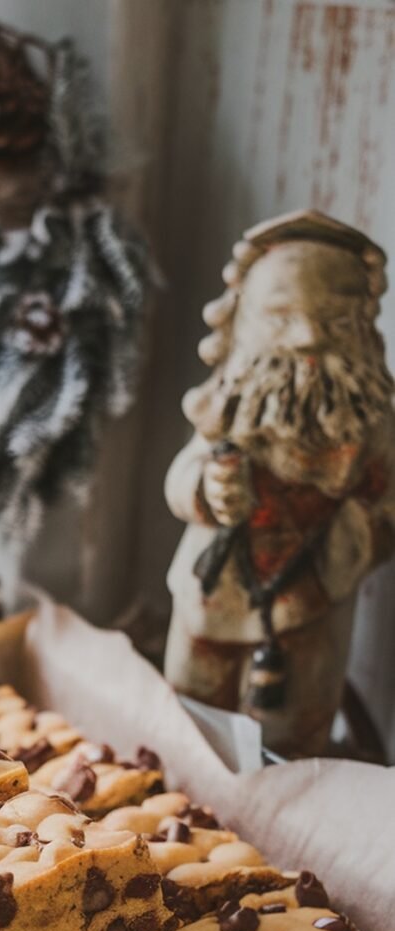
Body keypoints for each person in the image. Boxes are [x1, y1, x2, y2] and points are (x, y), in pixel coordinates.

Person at [164, 210, 395, 755]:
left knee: (295, 733)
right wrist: (206, 490)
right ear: (246, 319)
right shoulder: (227, 403)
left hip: (312, 601)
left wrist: (358, 523)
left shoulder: (376, 426)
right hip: (210, 594)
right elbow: (182, 476)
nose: (309, 339)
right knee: (190, 720)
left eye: (335, 323)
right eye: (282, 318)